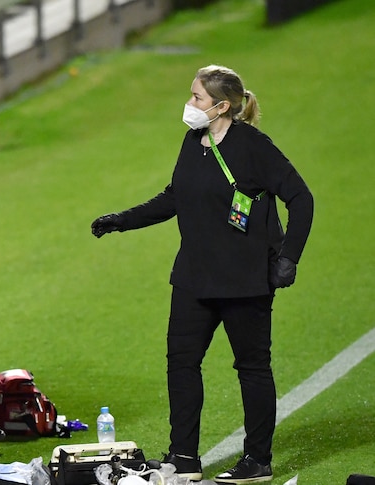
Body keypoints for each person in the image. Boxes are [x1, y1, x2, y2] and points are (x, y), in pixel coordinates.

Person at [91, 65, 314, 484]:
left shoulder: (254, 147)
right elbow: (175, 196)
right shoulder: (195, 140)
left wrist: (289, 257)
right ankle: (185, 458)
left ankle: (258, 461)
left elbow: (302, 198)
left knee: (251, 366)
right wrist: (123, 220)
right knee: (181, 363)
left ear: (222, 106)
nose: (189, 104)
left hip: (245, 280)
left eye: (196, 98)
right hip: (194, 278)